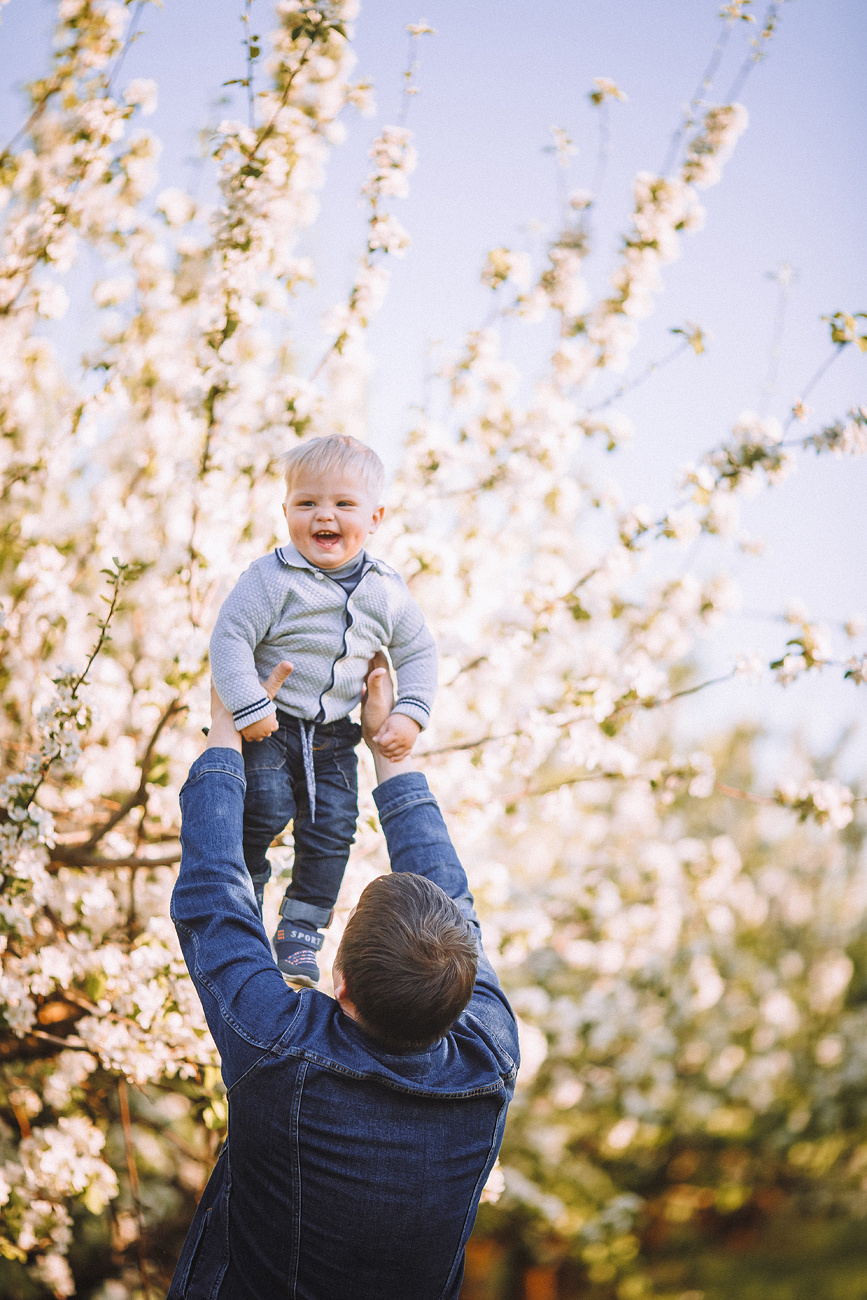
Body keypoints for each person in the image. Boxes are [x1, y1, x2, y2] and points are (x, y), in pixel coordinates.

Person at [168, 657, 519, 1300]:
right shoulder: (489, 1057)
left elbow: (215, 895)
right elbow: (215, 900)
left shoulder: (282, 1051)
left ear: (340, 981)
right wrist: (389, 747)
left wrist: (225, 728)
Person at [209, 434, 437, 985]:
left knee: (334, 830)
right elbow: (229, 638)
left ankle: (302, 930)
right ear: (285, 511)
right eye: (307, 503)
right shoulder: (272, 578)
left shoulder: (386, 591)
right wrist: (248, 703)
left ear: (375, 517)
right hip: (272, 721)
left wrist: (409, 711)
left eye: (343, 504)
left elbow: (419, 649)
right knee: (261, 806)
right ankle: (248, 892)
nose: (323, 516)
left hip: (336, 735)